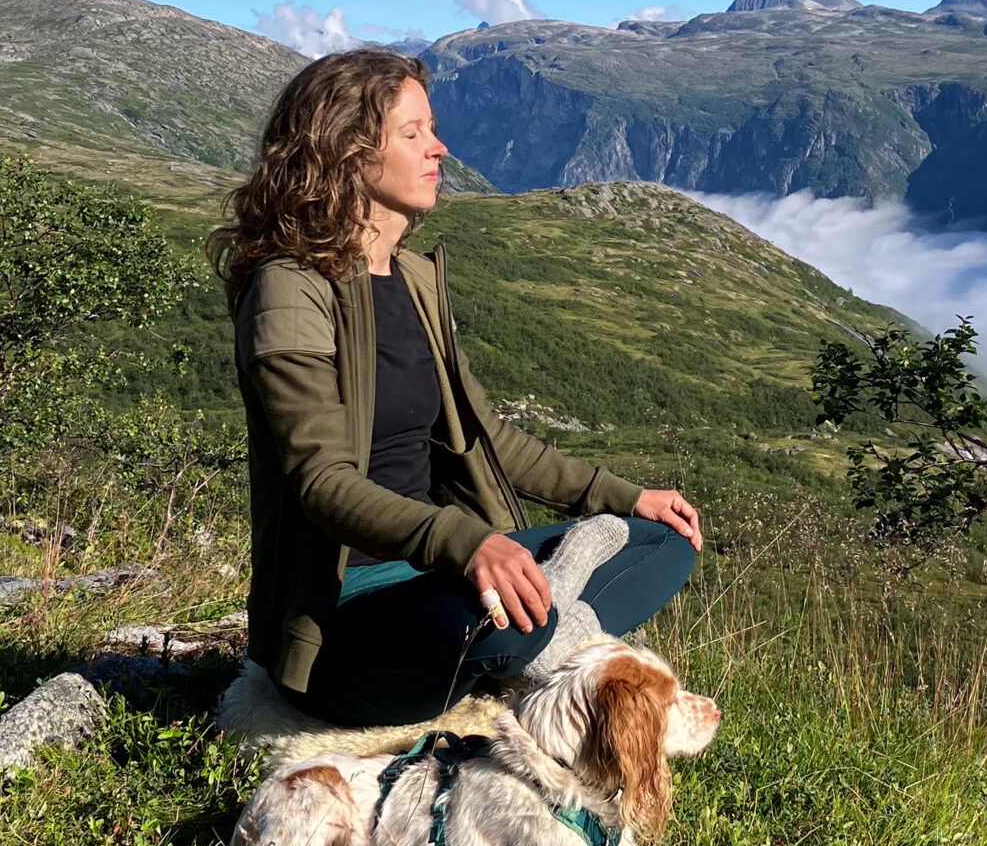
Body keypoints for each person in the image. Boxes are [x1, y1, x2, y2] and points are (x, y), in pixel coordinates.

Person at [211, 48, 703, 727]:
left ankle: (539, 634)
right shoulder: (289, 290)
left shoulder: (413, 279)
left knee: (662, 541)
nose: (438, 148)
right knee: (509, 621)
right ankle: (544, 642)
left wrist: (627, 496)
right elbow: (321, 483)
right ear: (345, 152)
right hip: (344, 616)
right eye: (411, 133)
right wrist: (467, 542)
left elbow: (487, 437)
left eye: (432, 130)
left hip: (436, 574)